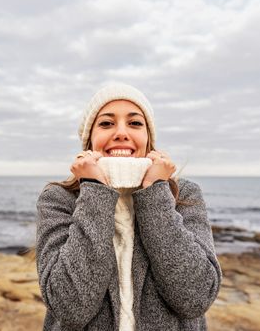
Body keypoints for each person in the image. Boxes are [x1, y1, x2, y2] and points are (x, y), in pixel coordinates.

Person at [35, 83, 222, 330]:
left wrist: (155, 192)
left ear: (148, 139)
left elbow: (195, 298)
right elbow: (70, 308)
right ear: (89, 140)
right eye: (106, 123)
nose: (121, 133)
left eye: (134, 123)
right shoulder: (58, 198)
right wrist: (94, 189)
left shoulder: (184, 194)